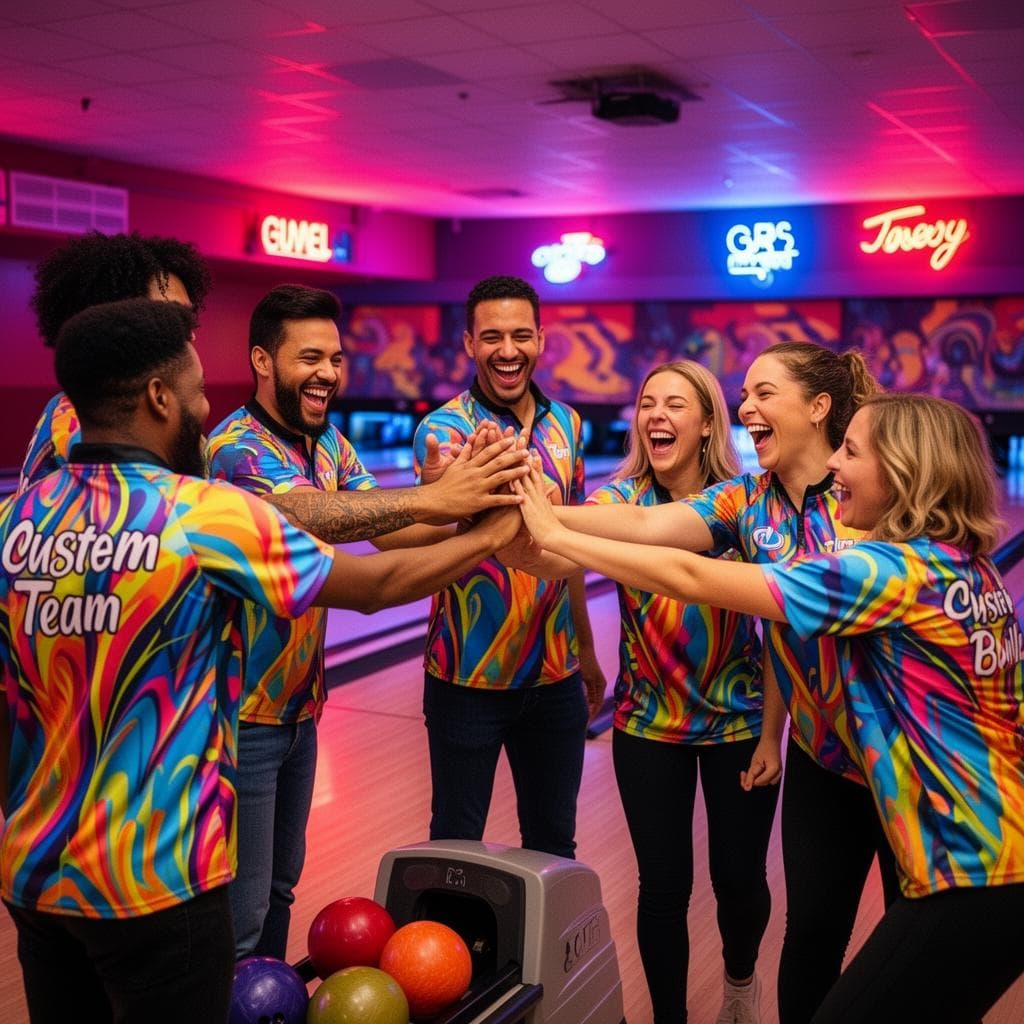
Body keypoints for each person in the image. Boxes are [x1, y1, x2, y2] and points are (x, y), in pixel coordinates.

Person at [0, 297, 521, 1024]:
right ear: (158, 397)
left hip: (35, 879)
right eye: (193, 391)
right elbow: (375, 586)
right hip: (157, 880)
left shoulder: (16, 521)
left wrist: (445, 502)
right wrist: (493, 537)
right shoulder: (202, 509)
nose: (202, 407)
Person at [516, 392, 1024, 1024]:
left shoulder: (888, 572)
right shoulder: (973, 572)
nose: (836, 463)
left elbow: (692, 577)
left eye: (853, 451)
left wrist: (547, 526)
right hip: (1001, 854)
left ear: (901, 472)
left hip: (973, 871)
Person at [205, 283, 530, 961]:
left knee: (281, 891)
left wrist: (454, 508)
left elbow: (386, 532)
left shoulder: (329, 444)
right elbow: (303, 516)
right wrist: (436, 500)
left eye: (336, 357)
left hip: (297, 710)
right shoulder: (234, 449)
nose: (327, 372)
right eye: (309, 357)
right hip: (241, 719)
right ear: (263, 362)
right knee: (240, 915)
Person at [569, 360, 783, 1024]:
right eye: (646, 402)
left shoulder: (745, 502)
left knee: (738, 881)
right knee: (662, 888)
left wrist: (774, 731)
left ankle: (741, 986)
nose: (656, 414)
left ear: (706, 423)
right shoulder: (617, 500)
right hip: (647, 724)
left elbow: (781, 620)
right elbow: (561, 554)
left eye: (675, 404)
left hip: (741, 723)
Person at [411, 274, 606, 861]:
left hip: (553, 678)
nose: (507, 350)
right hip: (465, 678)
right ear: (469, 344)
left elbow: (566, 543)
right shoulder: (442, 434)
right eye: (491, 336)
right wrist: (433, 496)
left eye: (521, 335)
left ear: (541, 340)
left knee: (553, 844)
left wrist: (587, 651)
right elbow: (434, 539)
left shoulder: (568, 425)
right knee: (454, 844)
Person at [18, 230, 213, 493]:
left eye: (189, 319)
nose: (189, 332)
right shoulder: (75, 418)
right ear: (120, 320)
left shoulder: (142, 411)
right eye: (170, 316)